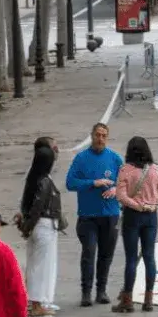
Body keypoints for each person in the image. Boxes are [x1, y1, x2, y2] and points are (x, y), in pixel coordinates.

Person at [64, 122, 124, 307]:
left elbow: (126, 183)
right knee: (89, 252)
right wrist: (93, 183)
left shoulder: (114, 158)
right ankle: (86, 292)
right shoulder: (81, 158)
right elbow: (70, 183)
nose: (100, 139)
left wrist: (115, 189)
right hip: (88, 215)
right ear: (92, 135)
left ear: (107, 137)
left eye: (104, 135)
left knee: (106, 254)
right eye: (97, 135)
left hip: (110, 214)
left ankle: (101, 290)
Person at [113, 137, 158, 313]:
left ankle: (127, 300)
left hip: (132, 216)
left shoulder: (125, 170)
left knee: (131, 258)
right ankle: (148, 299)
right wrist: (151, 202)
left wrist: (137, 204)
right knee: (149, 257)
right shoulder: (155, 169)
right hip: (151, 217)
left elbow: (121, 196)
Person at [17, 139, 65, 317]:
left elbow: (27, 205)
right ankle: (37, 303)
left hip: (37, 226)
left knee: (34, 264)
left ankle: (35, 301)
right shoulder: (44, 181)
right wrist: (28, 226)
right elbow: (38, 207)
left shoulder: (32, 178)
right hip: (44, 226)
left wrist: (26, 226)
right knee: (42, 266)